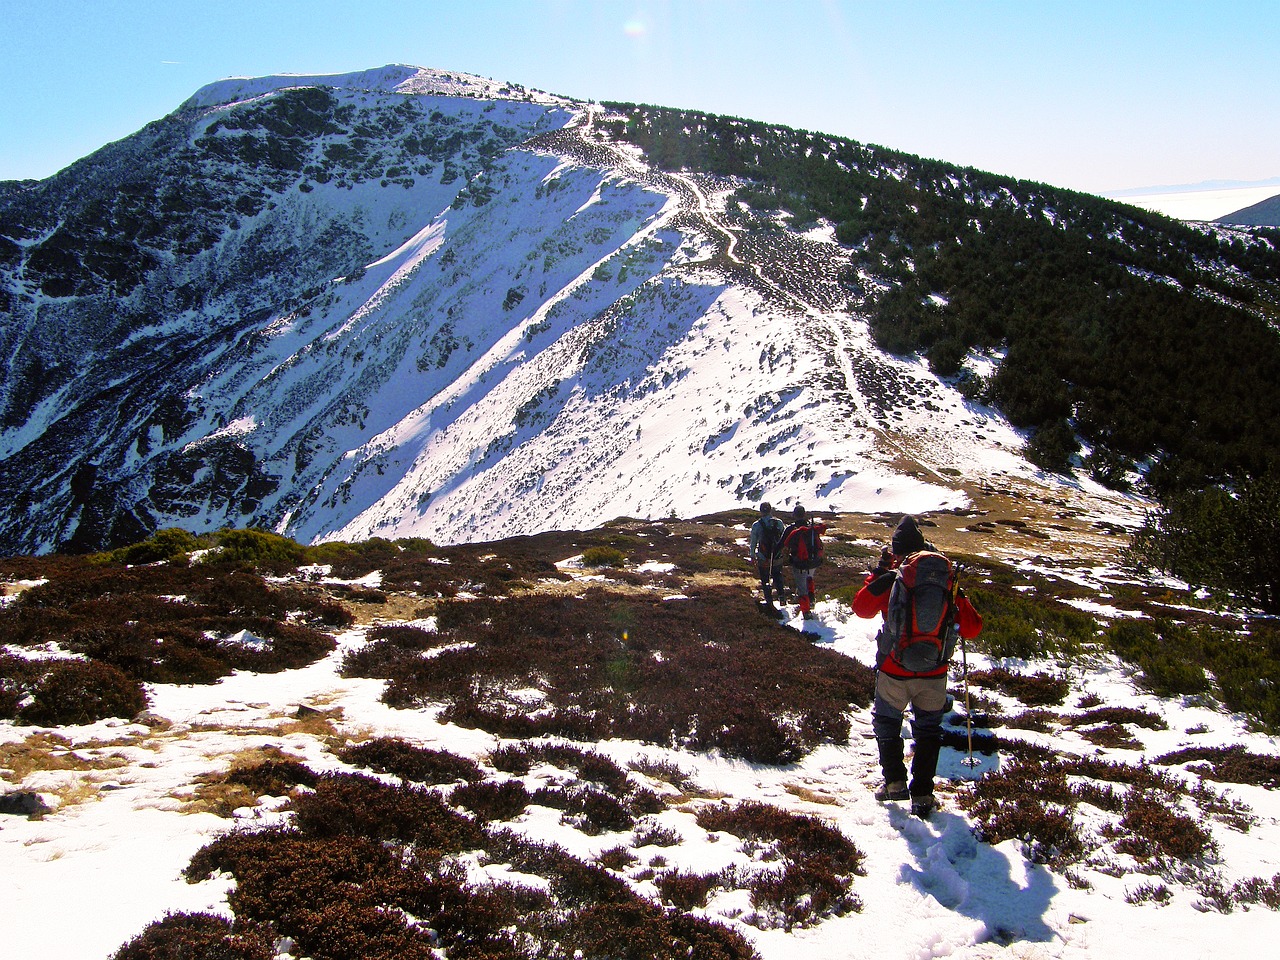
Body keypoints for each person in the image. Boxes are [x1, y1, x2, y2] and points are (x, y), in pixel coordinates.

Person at [853, 515, 982, 818]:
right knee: (928, 729)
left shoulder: (893, 578)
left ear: (896, 551)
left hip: (894, 668)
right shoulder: (947, 583)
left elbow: (860, 608)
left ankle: (895, 783)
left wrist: (879, 572)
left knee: (887, 722)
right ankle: (923, 793)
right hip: (934, 671)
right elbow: (973, 627)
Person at [781, 504, 826, 620]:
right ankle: (811, 599)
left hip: (800, 563)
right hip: (813, 562)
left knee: (802, 587)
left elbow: (783, 544)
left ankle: (806, 613)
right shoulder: (812, 529)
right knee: (809, 578)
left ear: (794, 515)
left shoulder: (792, 530)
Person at [748, 501, 788, 613]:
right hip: (777, 556)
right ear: (770, 510)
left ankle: (769, 600)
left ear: (761, 511)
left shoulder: (757, 525)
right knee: (778, 575)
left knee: (765, 578)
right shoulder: (779, 523)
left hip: (763, 557)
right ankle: (782, 597)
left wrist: (752, 555)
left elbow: (753, 542)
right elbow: (783, 539)